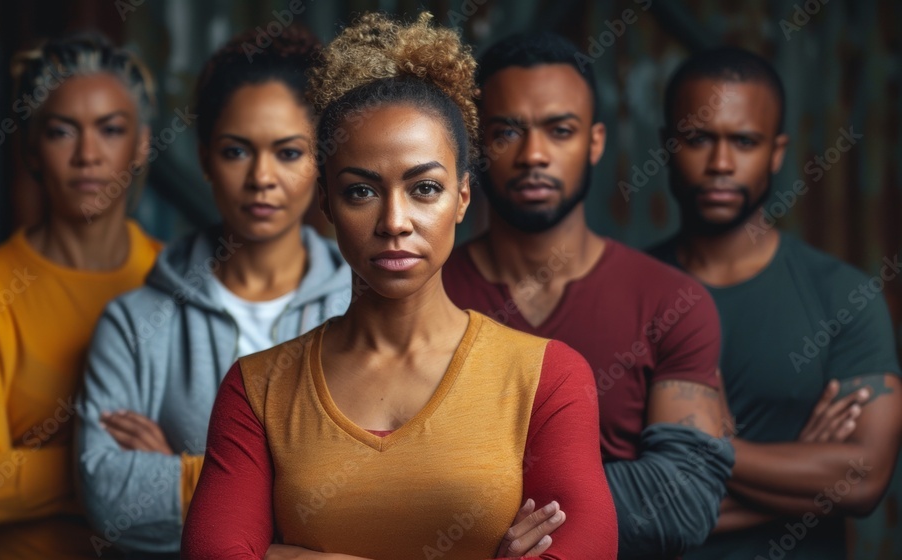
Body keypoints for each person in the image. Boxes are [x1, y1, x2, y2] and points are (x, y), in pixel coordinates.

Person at [181, 13, 617, 559]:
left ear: (462, 198)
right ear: (326, 204)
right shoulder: (257, 388)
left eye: (424, 188)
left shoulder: (548, 378)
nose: (394, 221)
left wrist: (281, 553)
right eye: (361, 192)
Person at [440, 32, 734, 558]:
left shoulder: (672, 302)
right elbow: (380, 479)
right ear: (476, 143)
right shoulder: (420, 292)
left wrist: (467, 506)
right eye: (508, 131)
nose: (534, 155)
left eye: (560, 130)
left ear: (594, 141)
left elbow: (681, 501)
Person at [74, 27, 355, 557]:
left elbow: (388, 486)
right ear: (204, 159)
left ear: (322, 162)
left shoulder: (362, 304)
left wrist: (186, 473)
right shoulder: (134, 323)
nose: (261, 178)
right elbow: (107, 495)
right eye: (236, 151)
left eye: (290, 153)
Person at [649, 46, 902, 559]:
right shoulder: (623, 291)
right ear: (668, 145)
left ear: (777, 152)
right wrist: (807, 469)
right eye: (699, 138)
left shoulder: (842, 297)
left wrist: (700, 453)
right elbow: (631, 507)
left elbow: (865, 478)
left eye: (744, 141)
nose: (721, 163)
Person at [0, 34, 160, 559]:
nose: (87, 155)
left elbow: (213, 468)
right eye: (62, 132)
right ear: (32, 146)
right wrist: (123, 466)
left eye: (111, 129)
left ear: (143, 143)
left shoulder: (180, 280)